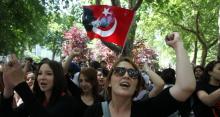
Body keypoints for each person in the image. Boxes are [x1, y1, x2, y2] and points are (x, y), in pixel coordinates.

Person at [83, 32, 196, 117]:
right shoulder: (92, 112)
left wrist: (178, 45)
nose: (126, 75)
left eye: (132, 73)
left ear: (137, 86)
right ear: (109, 82)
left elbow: (185, 87)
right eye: (119, 71)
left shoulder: (147, 110)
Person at [0, 55, 79, 117]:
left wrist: (20, 83)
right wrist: (8, 88)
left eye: (49, 74)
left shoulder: (68, 102)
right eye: (40, 73)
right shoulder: (38, 98)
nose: (42, 77)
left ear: (58, 77)